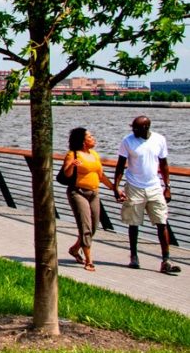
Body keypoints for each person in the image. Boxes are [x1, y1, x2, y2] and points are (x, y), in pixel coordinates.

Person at [113, 116, 181, 275]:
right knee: (133, 223)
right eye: (133, 128)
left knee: (162, 221)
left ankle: (166, 259)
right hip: (134, 186)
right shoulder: (127, 141)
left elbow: (164, 164)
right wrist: (116, 187)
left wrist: (167, 186)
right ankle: (134, 256)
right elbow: (120, 165)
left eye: (136, 128)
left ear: (146, 127)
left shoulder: (159, 139)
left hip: (154, 187)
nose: (133, 131)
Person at [61, 127, 115, 272]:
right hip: (77, 192)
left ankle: (75, 249)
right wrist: (72, 166)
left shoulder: (94, 155)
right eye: (90, 137)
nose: (93, 138)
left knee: (94, 226)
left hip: (94, 193)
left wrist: (115, 189)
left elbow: (101, 176)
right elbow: (66, 174)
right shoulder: (73, 155)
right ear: (83, 141)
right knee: (85, 226)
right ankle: (89, 260)